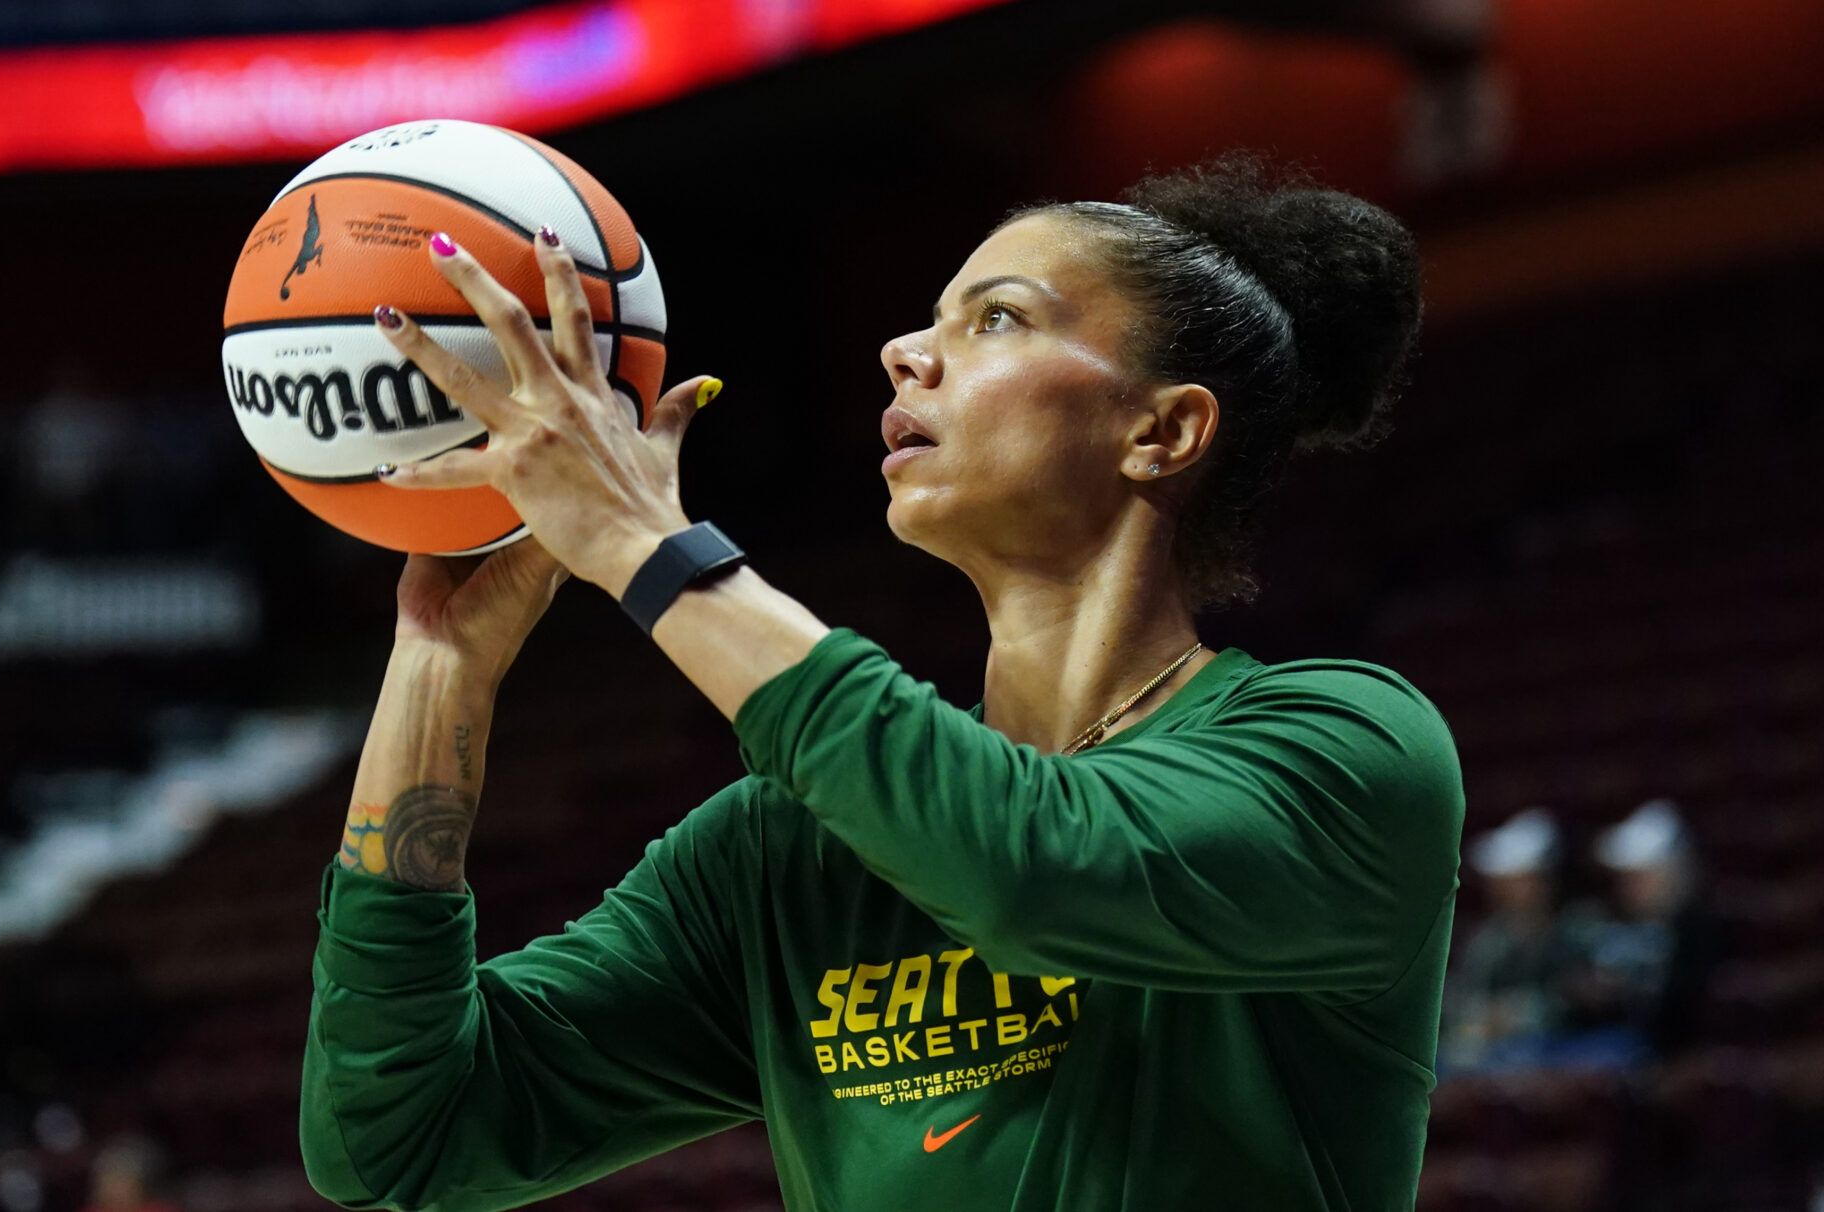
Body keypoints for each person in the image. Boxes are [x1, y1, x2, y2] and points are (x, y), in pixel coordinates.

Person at [300, 150, 1464, 1211]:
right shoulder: (783, 855)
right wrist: (443, 661)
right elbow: (398, 1143)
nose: (906, 350)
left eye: (996, 318)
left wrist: (647, 547)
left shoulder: (1347, 753)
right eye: (928, 317)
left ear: (1162, 432)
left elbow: (1029, 869)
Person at [1438, 807, 1600, 1071]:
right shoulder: (1489, 938)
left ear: (1541, 881)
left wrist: (1516, 1014)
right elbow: (1464, 996)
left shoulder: (1579, 929)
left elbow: (1582, 997)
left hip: (1563, 1047)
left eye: (1514, 881)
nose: (1500, 891)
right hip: (1498, 1051)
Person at [1568, 798, 1725, 1056]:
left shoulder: (1697, 929)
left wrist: (1621, 994)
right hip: (1602, 1039)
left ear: (1672, 874)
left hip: (1657, 1051)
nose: (1629, 889)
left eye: (1641, 878)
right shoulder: (1613, 923)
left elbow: (1684, 1005)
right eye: (1626, 879)